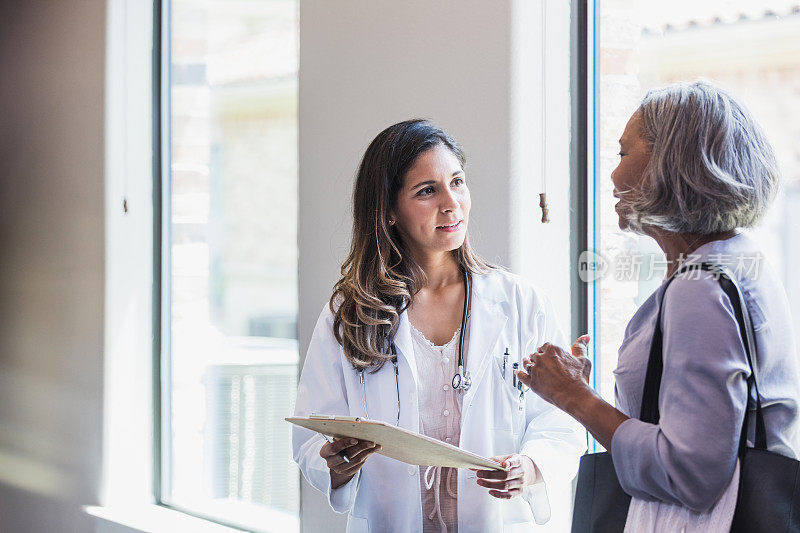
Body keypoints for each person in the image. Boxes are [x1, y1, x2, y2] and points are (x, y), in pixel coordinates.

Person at [517, 81, 800, 527]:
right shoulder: (742, 263)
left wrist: (575, 398)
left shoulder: (699, 289)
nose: (612, 177)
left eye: (624, 154)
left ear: (670, 162)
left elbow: (691, 476)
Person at [292, 119, 585, 532]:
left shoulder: (521, 304)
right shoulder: (351, 311)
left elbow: (559, 422)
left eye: (458, 182)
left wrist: (531, 467)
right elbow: (310, 435)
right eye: (427, 191)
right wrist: (335, 462)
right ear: (389, 211)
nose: (452, 204)